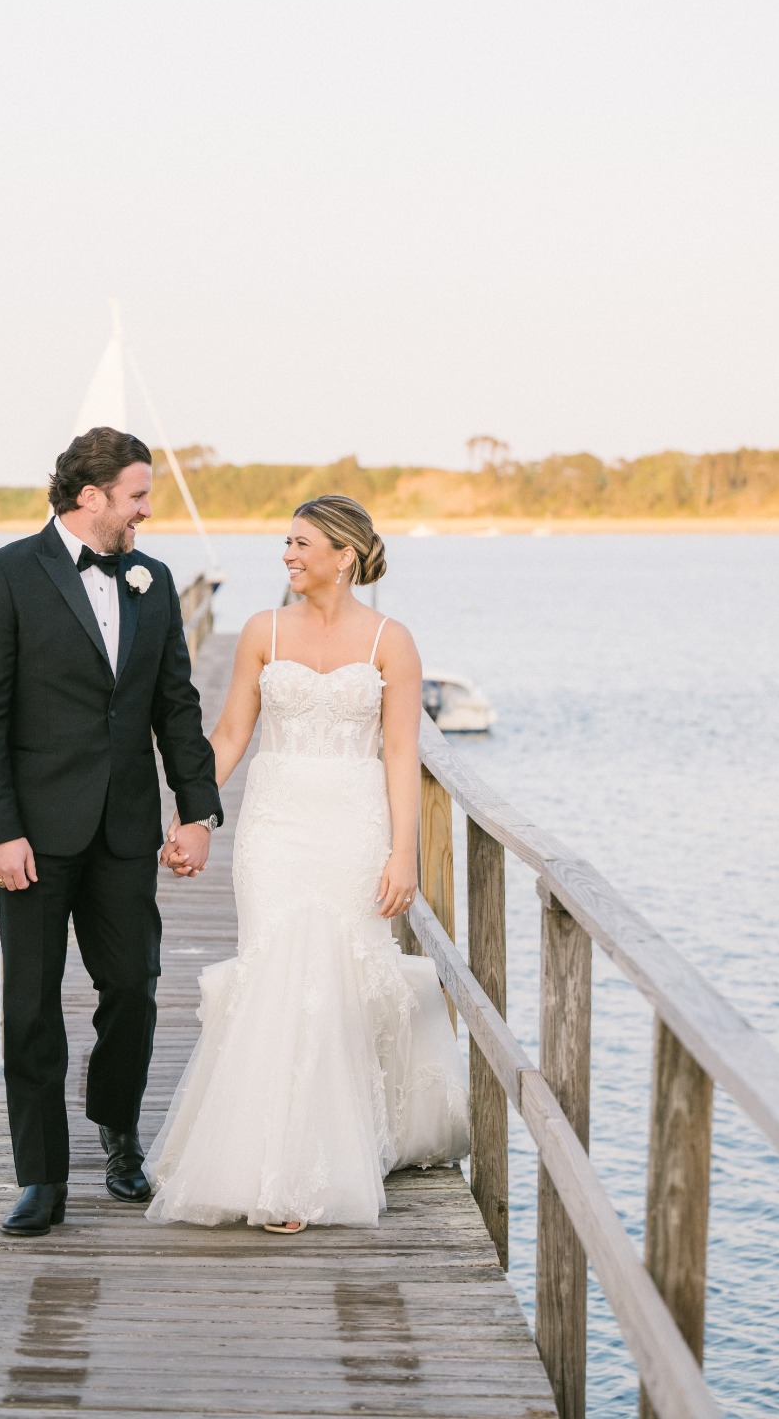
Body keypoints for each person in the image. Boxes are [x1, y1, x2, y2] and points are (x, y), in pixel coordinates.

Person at [145, 494, 468, 1231]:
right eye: (285, 543)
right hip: (276, 825)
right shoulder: (263, 630)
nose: (287, 555)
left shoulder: (393, 640)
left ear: (343, 556)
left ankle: (319, 1161)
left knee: (340, 980)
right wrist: (193, 815)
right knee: (276, 973)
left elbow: (399, 752)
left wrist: (402, 854)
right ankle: (266, 1164)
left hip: (352, 823)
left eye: (300, 543)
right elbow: (228, 735)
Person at [0, 426, 222, 1237]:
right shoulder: (3, 575)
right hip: (32, 835)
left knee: (134, 989)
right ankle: (41, 1177)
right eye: (137, 496)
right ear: (91, 497)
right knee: (32, 1005)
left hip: (123, 829)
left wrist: (198, 808)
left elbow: (176, 704)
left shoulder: (153, 579)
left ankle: (118, 1134)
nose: (147, 510)